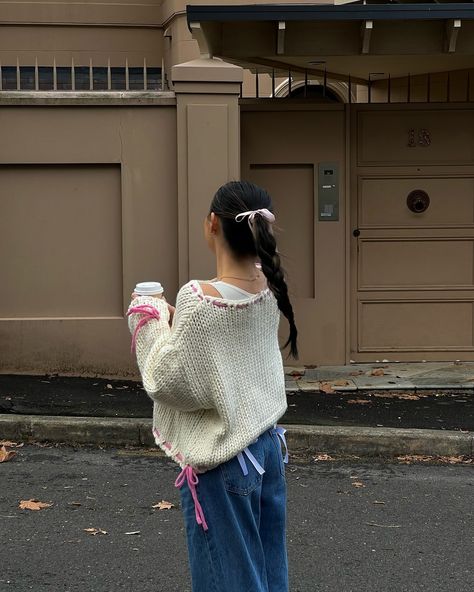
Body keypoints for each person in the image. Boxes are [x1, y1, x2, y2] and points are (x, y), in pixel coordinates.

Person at [127, 180, 298, 592]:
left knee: (228, 580)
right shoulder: (269, 285)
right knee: (268, 571)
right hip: (266, 446)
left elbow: (169, 381)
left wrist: (145, 321)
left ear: (211, 225)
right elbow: (220, 354)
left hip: (225, 458)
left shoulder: (198, 299)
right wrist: (175, 323)